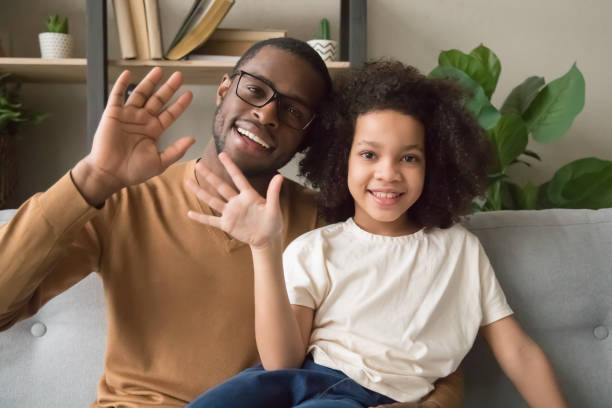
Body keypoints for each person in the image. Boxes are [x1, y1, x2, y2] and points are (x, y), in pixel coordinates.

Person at [0, 39, 461, 407]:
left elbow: (421, 341)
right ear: (225, 89)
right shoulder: (123, 199)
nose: (265, 113)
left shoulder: (329, 224)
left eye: (293, 111)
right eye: (254, 89)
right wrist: (91, 178)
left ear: (309, 139)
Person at [184, 60, 568, 408]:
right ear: (341, 160)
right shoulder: (315, 248)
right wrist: (264, 248)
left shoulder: (460, 251)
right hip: (299, 378)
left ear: (434, 165)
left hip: (372, 400)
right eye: (369, 154)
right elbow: (280, 363)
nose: (388, 173)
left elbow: (518, 352)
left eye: (409, 157)